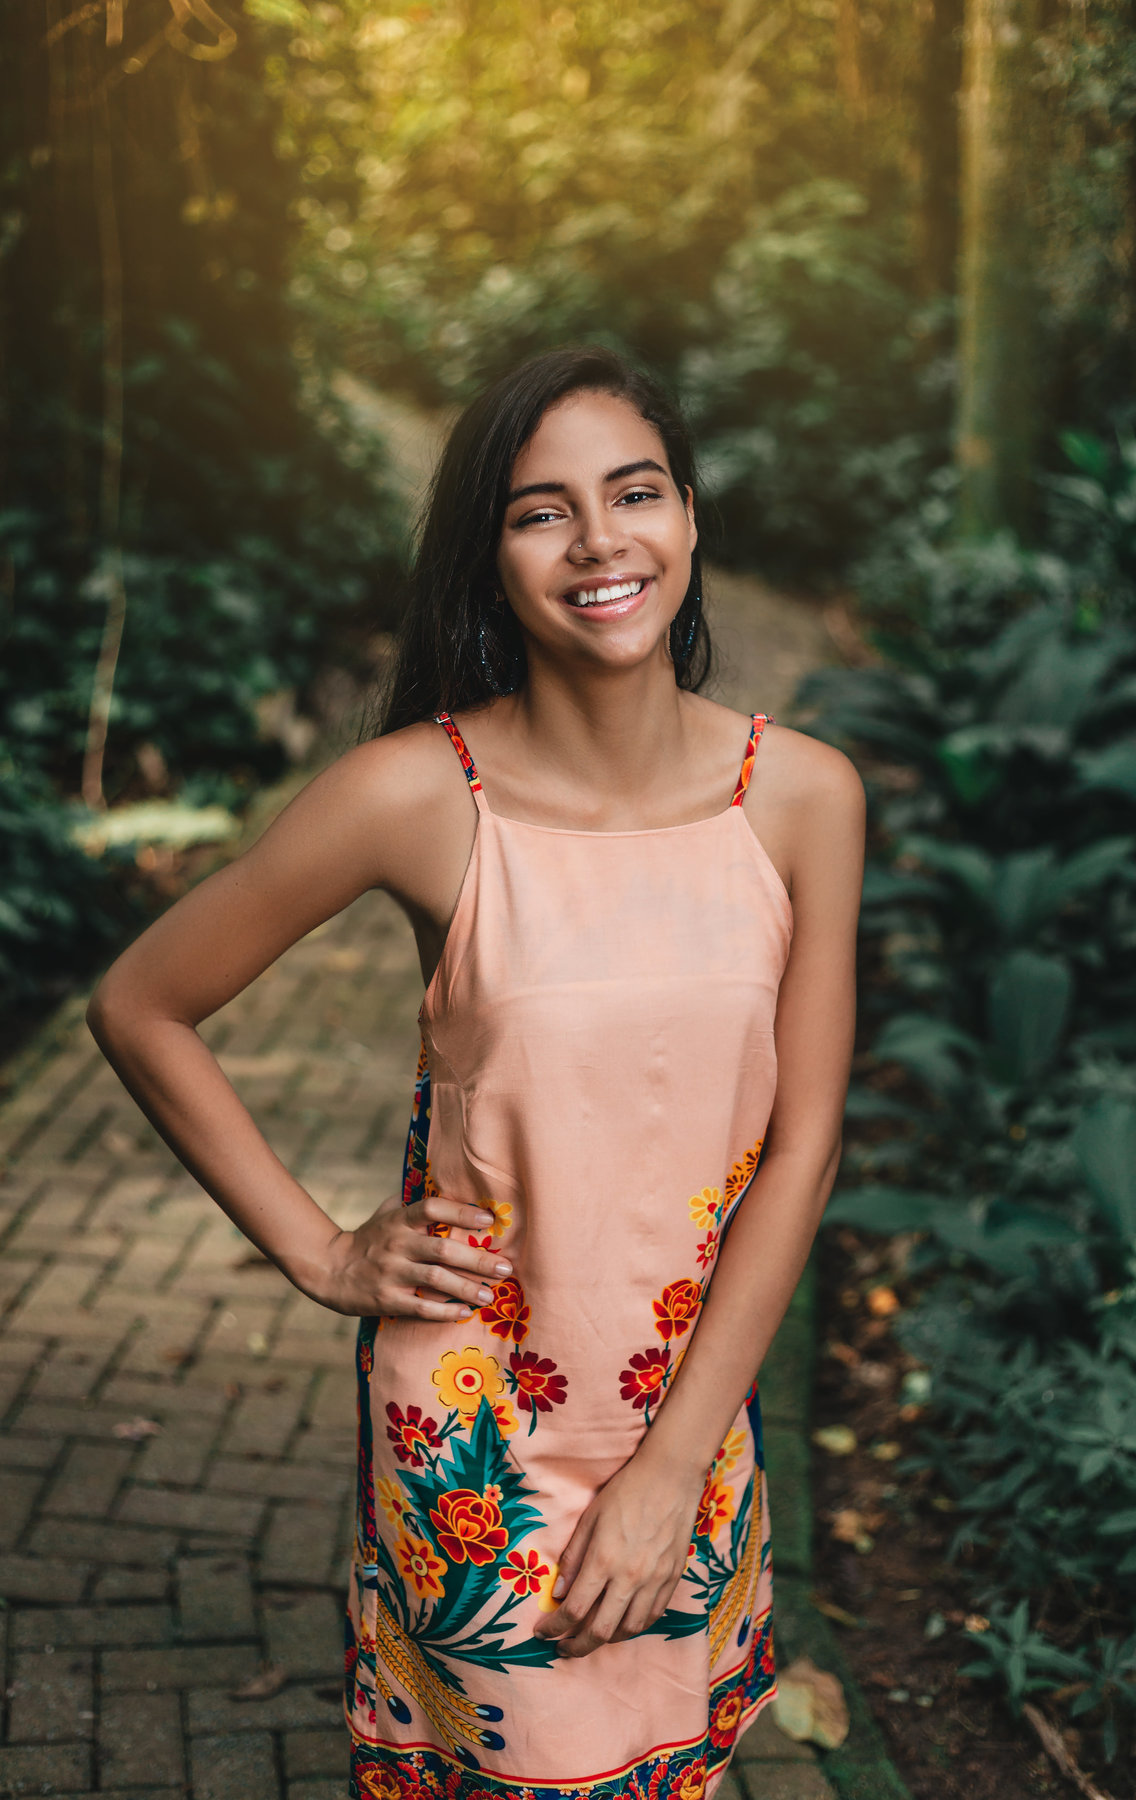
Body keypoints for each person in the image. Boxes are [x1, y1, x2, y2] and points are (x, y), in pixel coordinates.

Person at [86, 345, 864, 1798]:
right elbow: (142, 1005)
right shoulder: (413, 796)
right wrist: (320, 1253)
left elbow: (803, 1142)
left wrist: (670, 1466)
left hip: (690, 1410)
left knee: (671, 1769)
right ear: (488, 554)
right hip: (481, 1429)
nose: (598, 542)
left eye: (634, 492)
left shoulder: (805, 796)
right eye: (538, 510)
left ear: (690, 517)